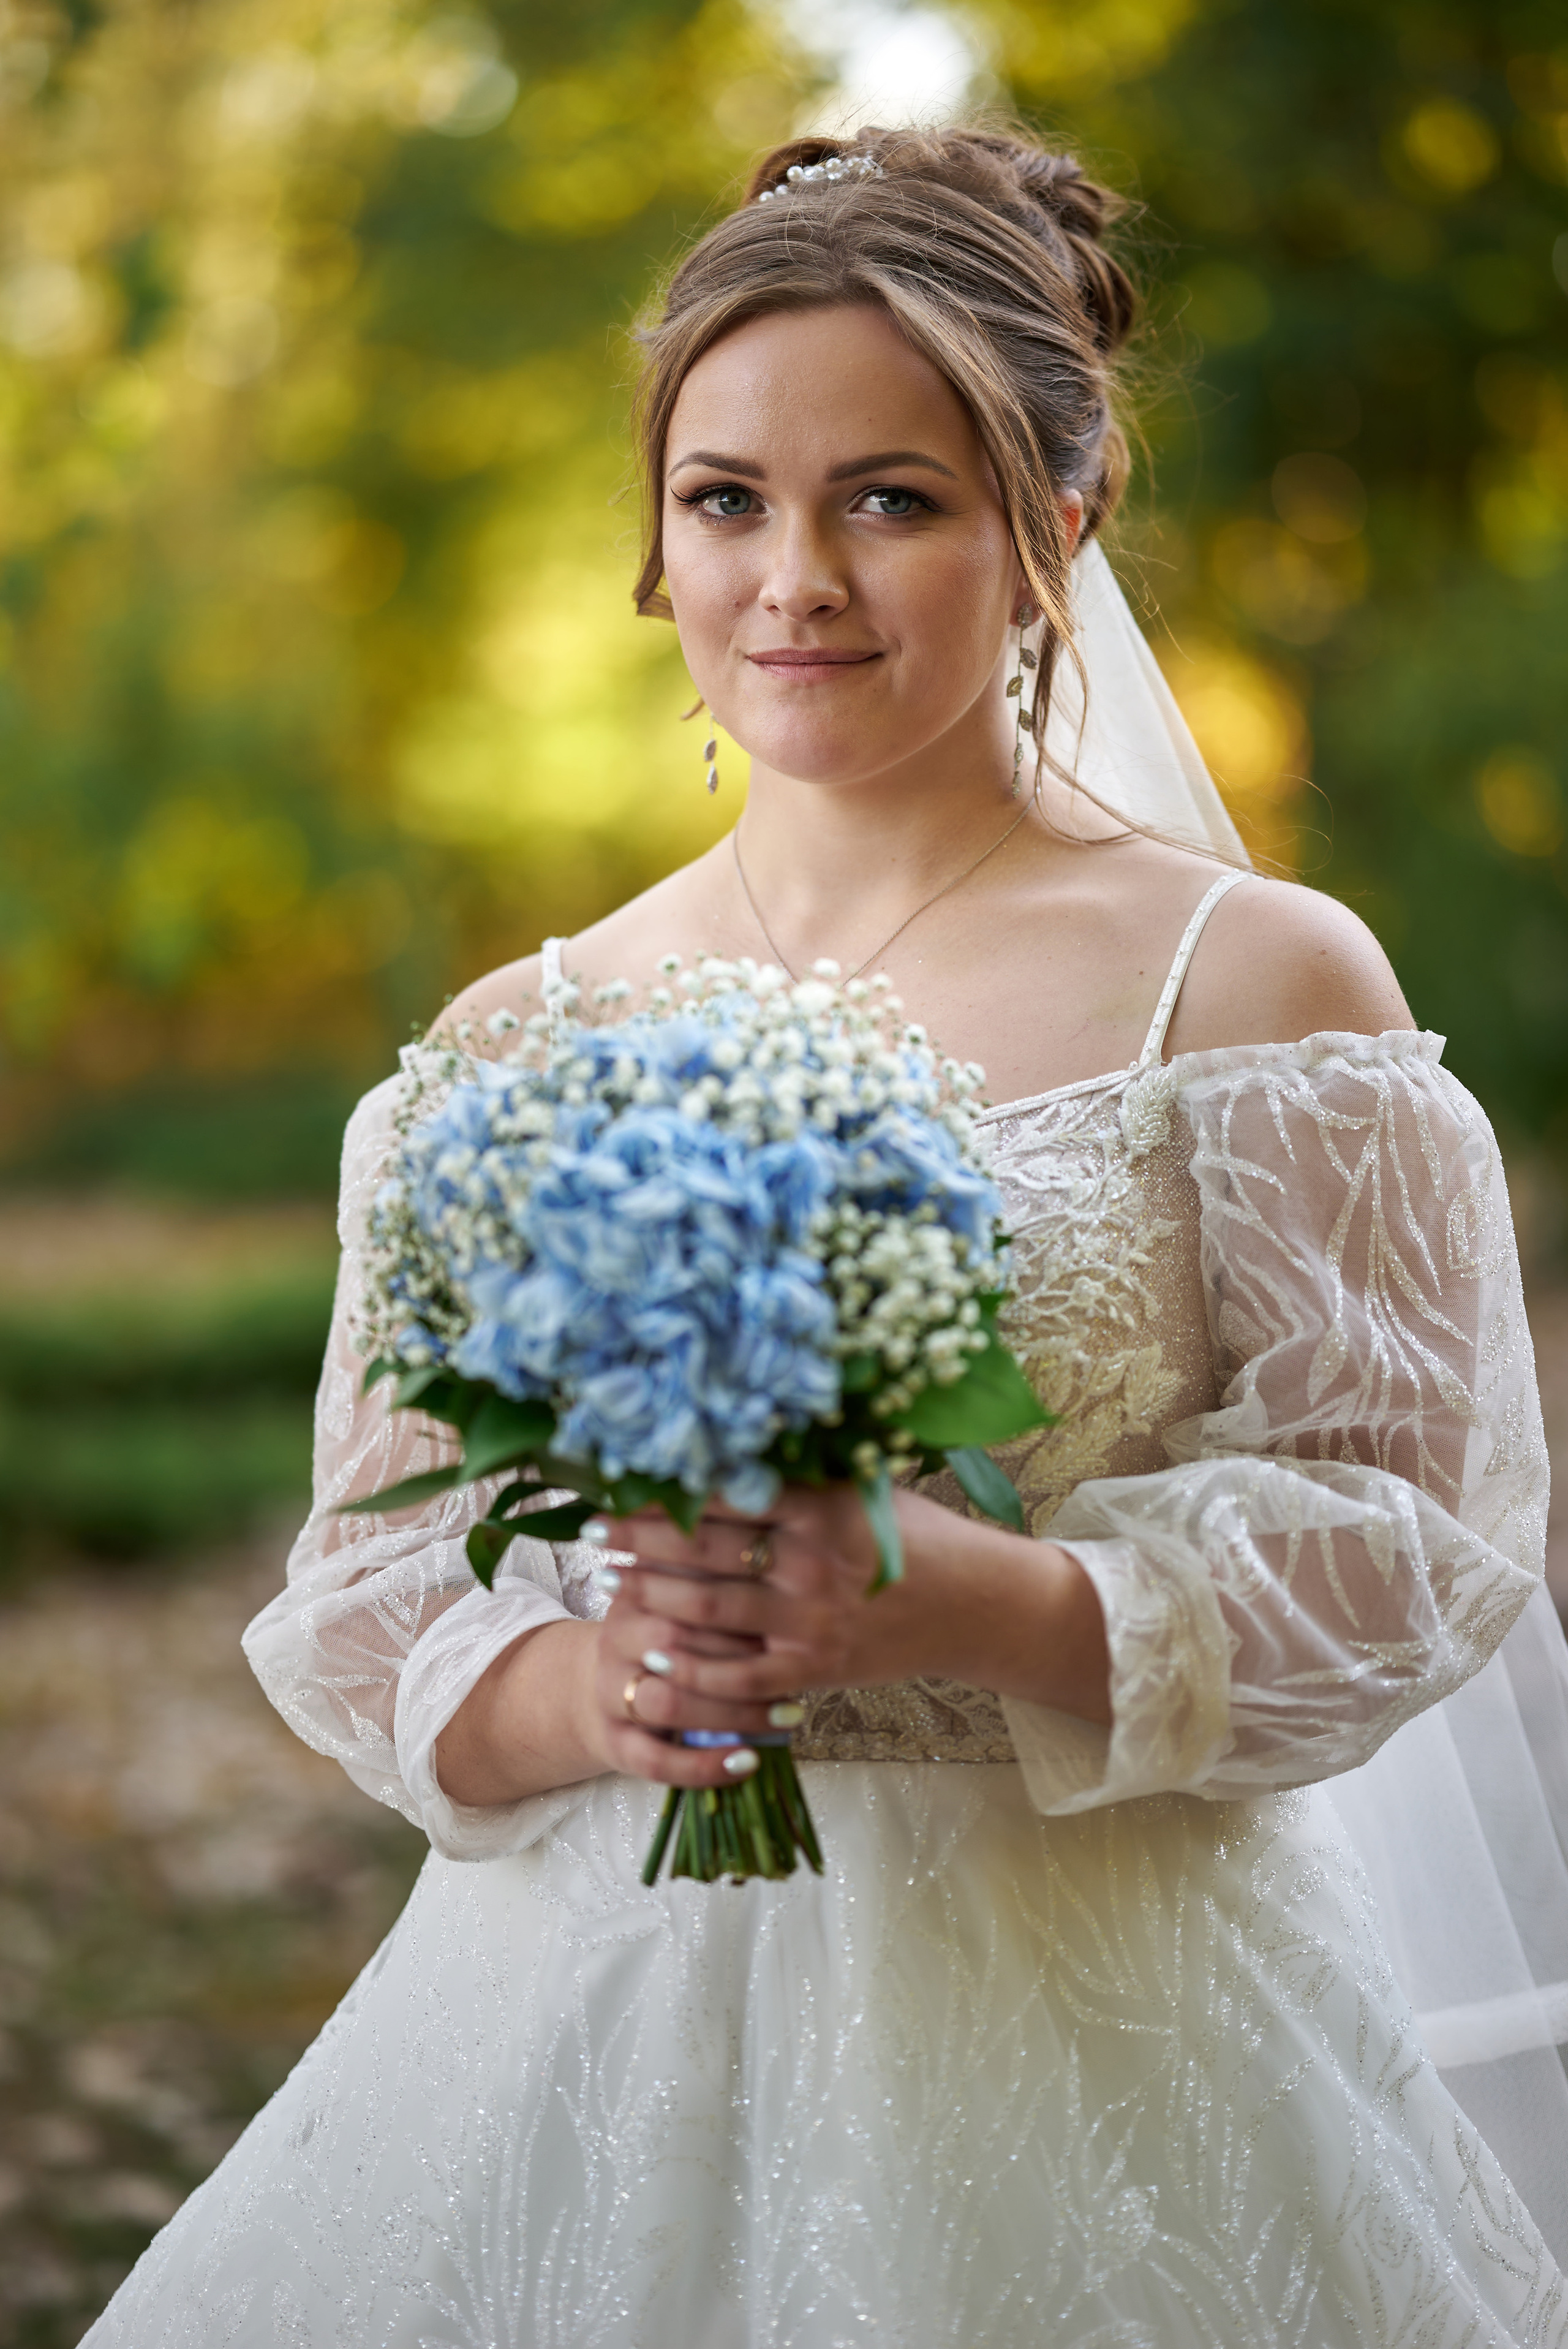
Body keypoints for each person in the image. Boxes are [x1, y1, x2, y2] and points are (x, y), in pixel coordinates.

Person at [87, 125, 1568, 2346]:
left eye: (894, 495)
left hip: (1113, 2018)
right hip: (586, 2013)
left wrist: (992, 1595)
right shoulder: (516, 1038)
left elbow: (1419, 1534)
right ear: (658, 542)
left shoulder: (1260, 990)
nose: (797, 575)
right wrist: (593, 1678)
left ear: (1054, 525)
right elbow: (381, 1579)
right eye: (726, 500)